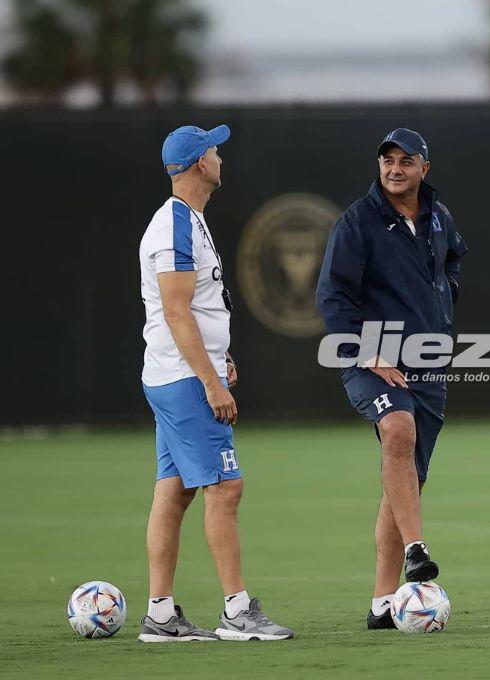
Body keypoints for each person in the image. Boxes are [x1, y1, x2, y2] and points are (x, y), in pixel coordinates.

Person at [137, 124, 293, 642]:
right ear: (200, 164)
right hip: (183, 379)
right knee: (226, 487)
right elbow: (177, 312)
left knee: (175, 489)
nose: (221, 157)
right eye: (215, 150)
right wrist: (211, 382)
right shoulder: (174, 226)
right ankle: (237, 610)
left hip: (176, 373)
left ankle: (160, 615)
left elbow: (196, 309)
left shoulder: (189, 220)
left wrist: (219, 359)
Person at [316, 128, 468, 630]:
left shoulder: (438, 218)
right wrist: (366, 350)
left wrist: (442, 309)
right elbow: (332, 297)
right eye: (387, 160)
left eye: (406, 160)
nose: (395, 168)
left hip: (426, 362)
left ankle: (382, 604)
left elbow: (454, 262)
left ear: (426, 167)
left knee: (404, 483)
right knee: (397, 430)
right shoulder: (358, 223)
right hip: (371, 360)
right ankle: (417, 551)